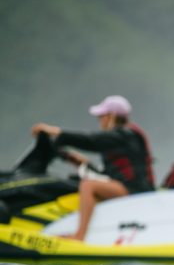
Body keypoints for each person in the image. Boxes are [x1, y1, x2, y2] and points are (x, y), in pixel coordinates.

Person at [31, 95, 155, 240]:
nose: (99, 121)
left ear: (111, 116)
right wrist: (79, 161)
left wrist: (55, 132)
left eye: (101, 117)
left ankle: (79, 235)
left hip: (136, 190)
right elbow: (109, 172)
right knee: (81, 183)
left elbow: (91, 141)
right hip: (128, 186)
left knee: (88, 186)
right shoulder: (120, 136)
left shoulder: (125, 135)